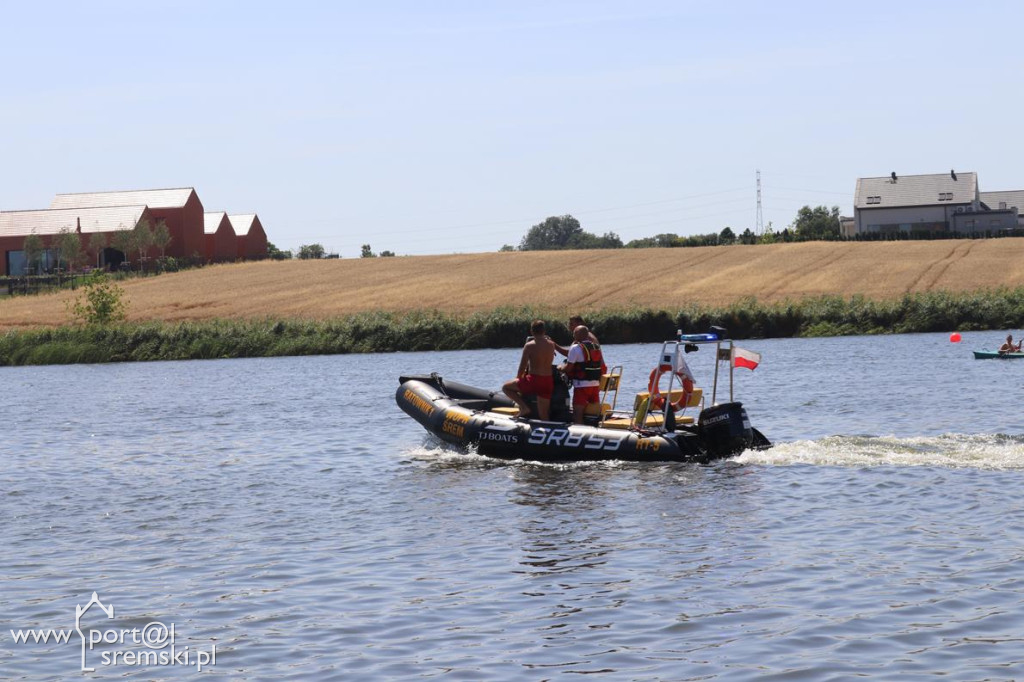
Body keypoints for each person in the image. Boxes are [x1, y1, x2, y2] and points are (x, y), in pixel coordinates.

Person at [503, 320, 556, 420]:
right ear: (544, 331)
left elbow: (522, 367)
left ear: (532, 331)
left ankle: (523, 408)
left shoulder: (529, 345)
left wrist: (518, 379)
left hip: (534, 380)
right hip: (548, 381)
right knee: (544, 415)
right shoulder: (551, 344)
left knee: (506, 388)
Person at [560, 325, 605, 424]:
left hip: (582, 386)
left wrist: (560, 368)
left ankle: (578, 431)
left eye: (574, 333)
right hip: (595, 384)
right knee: (594, 411)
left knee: (577, 412)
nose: (573, 335)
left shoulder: (575, 348)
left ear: (578, 335)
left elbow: (568, 368)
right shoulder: (595, 346)